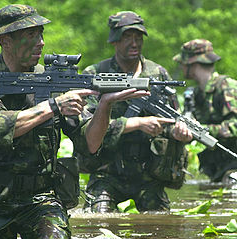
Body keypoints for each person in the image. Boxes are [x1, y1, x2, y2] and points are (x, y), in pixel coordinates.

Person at [0, 4, 150, 239]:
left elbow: (90, 143)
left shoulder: (52, 81)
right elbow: (0, 127)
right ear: (5, 40)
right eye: (31, 35)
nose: (41, 42)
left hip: (39, 200)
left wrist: (105, 104)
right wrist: (53, 107)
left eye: (41, 34)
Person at [77, 11, 193, 213]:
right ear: (114, 41)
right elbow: (86, 127)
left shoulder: (158, 73)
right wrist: (137, 124)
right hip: (107, 174)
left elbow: (174, 118)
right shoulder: (95, 75)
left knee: (161, 225)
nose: (134, 43)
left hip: (149, 176)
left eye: (138, 38)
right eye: (127, 38)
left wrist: (178, 132)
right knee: (96, 221)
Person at [173, 39, 237, 184]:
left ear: (192, 64)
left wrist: (203, 130)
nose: (182, 68)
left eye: (182, 64)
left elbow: (235, 126)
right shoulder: (195, 95)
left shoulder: (227, 87)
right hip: (217, 169)